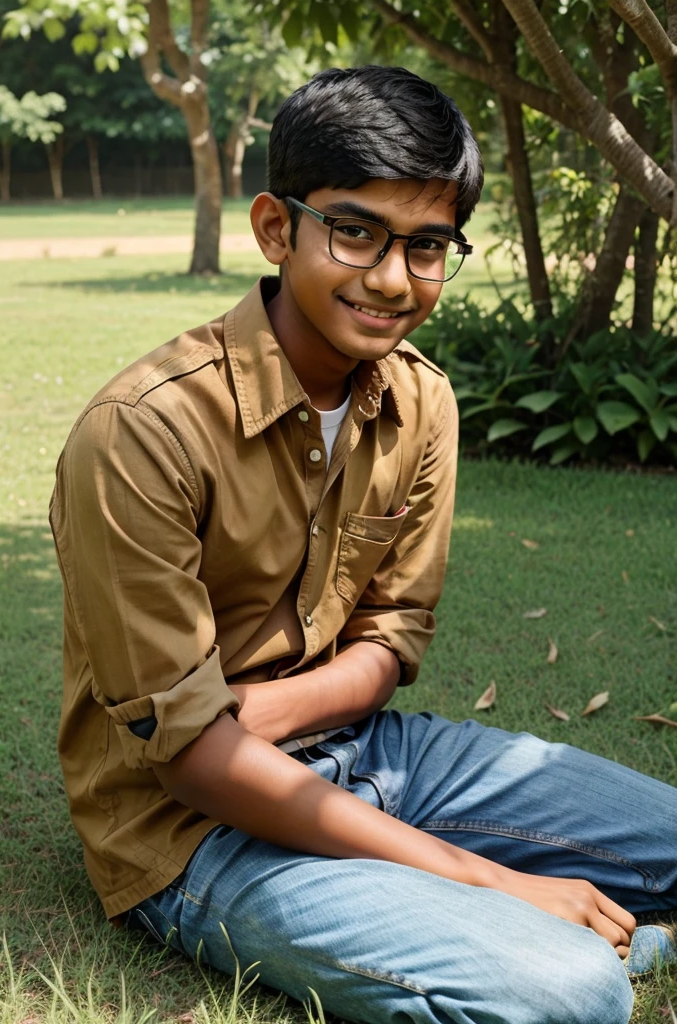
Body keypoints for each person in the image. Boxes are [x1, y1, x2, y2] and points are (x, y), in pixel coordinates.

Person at [50, 66, 676, 1024]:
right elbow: (185, 765)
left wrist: (237, 719)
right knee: (568, 990)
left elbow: (387, 645)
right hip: (189, 827)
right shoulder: (143, 432)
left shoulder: (422, 401)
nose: (393, 278)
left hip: (371, 755)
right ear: (275, 227)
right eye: (356, 231)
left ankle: (490, 905)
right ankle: (533, 927)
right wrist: (492, 882)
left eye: (427, 246)